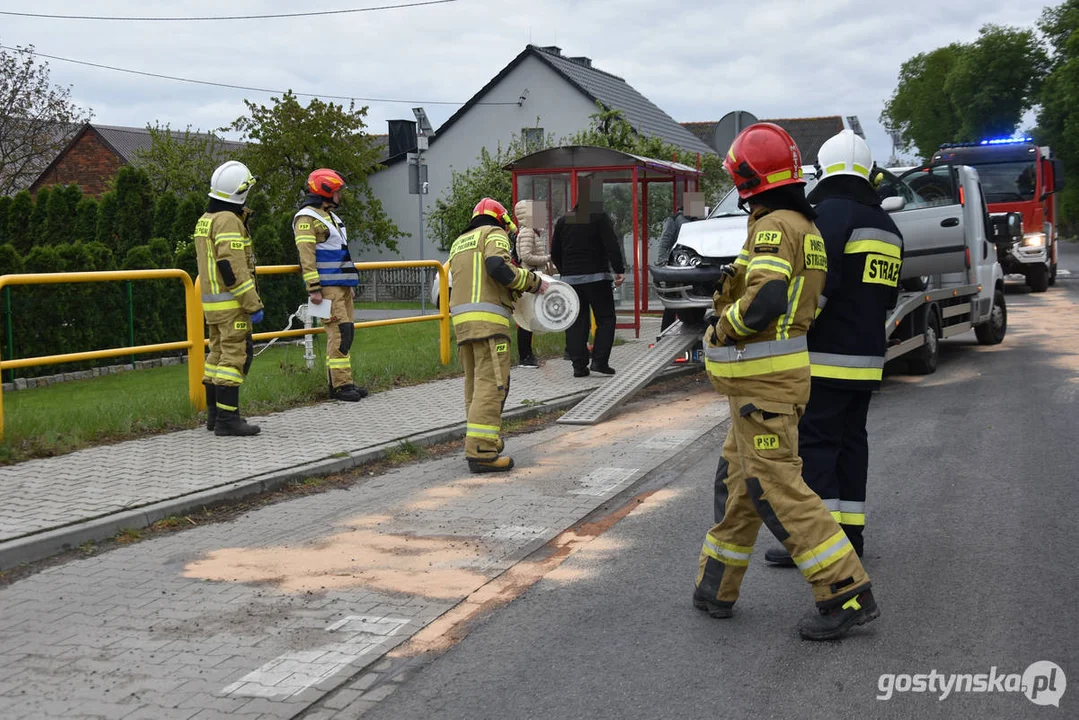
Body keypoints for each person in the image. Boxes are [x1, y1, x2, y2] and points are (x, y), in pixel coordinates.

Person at [691, 122, 879, 640]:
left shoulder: (773, 227)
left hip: (763, 389)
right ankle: (715, 587)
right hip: (763, 388)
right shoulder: (807, 229)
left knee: (779, 490)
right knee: (738, 486)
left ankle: (846, 591)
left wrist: (721, 326)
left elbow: (769, 300)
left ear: (748, 179)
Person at [763, 130, 903, 567]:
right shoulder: (888, 227)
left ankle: (819, 549)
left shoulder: (826, 219)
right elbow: (889, 298)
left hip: (822, 359)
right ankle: (850, 540)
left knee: (817, 449)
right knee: (851, 445)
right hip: (868, 361)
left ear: (823, 170)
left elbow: (814, 293)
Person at [449, 198, 548, 473]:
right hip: (489, 324)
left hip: (463, 324)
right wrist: (533, 282)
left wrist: (509, 289)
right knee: (492, 387)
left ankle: (482, 439)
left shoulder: (460, 241)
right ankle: (482, 452)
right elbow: (497, 267)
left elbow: (472, 280)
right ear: (503, 219)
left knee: (474, 387)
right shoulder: (495, 234)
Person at [196, 160, 264, 437]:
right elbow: (232, 267)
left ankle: (214, 417)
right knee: (234, 359)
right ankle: (227, 420)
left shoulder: (206, 219)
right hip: (232, 304)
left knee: (217, 355)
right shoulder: (227, 220)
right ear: (240, 192)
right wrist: (252, 303)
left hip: (212, 305)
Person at [293, 168, 367, 402]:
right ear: (326, 191)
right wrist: (313, 289)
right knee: (338, 333)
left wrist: (349, 284)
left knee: (347, 333)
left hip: (341, 285)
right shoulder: (307, 218)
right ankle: (340, 386)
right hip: (325, 288)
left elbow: (340, 253)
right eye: (337, 191)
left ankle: (344, 382)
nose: (340, 195)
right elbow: (307, 256)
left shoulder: (330, 216)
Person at [551, 178, 625, 377]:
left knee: (576, 320)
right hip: (597, 279)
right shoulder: (599, 217)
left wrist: (565, 271)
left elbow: (555, 252)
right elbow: (612, 245)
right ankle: (599, 362)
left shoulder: (564, 220)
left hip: (571, 282)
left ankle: (578, 366)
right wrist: (619, 270)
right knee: (606, 318)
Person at [656, 192, 706, 330]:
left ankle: (693, 320)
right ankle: (665, 330)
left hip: (691, 266)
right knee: (672, 300)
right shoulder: (675, 220)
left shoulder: (696, 221)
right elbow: (665, 242)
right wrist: (663, 264)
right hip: (674, 266)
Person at [513, 199, 550, 369]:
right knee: (527, 318)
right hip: (530, 278)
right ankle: (525, 356)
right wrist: (547, 259)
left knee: (528, 317)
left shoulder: (530, 232)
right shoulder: (528, 233)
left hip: (532, 276)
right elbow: (526, 256)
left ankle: (527, 355)